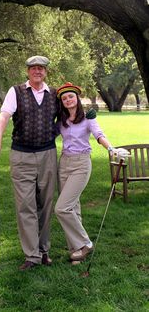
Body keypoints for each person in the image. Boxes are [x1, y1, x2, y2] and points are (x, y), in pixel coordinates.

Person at [0, 55, 58, 270]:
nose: (38, 71)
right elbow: (3, 116)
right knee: (25, 205)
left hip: (47, 154)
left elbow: (70, 116)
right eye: (33, 68)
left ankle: (44, 251)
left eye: (41, 68)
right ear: (27, 71)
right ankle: (32, 255)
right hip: (21, 156)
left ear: (46, 72)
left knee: (45, 205)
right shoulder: (16, 91)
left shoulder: (54, 94)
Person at [55, 82, 115, 264]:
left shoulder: (88, 117)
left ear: (77, 97)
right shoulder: (62, 120)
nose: (68, 100)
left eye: (70, 96)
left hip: (81, 164)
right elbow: (50, 135)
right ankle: (77, 252)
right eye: (64, 98)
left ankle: (85, 243)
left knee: (61, 208)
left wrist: (111, 148)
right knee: (73, 207)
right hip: (64, 163)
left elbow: (99, 135)